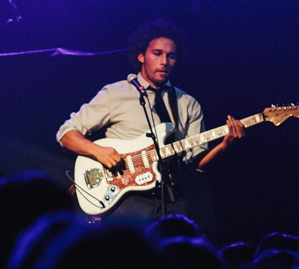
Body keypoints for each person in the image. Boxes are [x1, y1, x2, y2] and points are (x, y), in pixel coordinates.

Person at [57, 19, 244, 223]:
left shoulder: (188, 104)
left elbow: (196, 163)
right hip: (127, 201)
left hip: (174, 199)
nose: (164, 61)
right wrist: (98, 151)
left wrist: (225, 145)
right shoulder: (115, 93)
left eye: (171, 56)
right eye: (157, 53)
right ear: (141, 56)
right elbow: (66, 133)